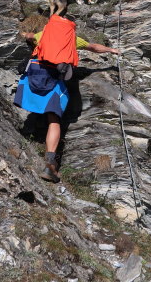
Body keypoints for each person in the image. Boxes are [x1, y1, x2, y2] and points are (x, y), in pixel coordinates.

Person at [14, 16, 119, 183]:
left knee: (39, 108)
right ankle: (50, 163)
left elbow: (30, 37)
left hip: (34, 74)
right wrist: (111, 50)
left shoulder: (43, 34)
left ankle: (27, 135)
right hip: (54, 77)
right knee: (53, 119)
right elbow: (93, 47)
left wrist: (26, 33)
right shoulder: (73, 38)